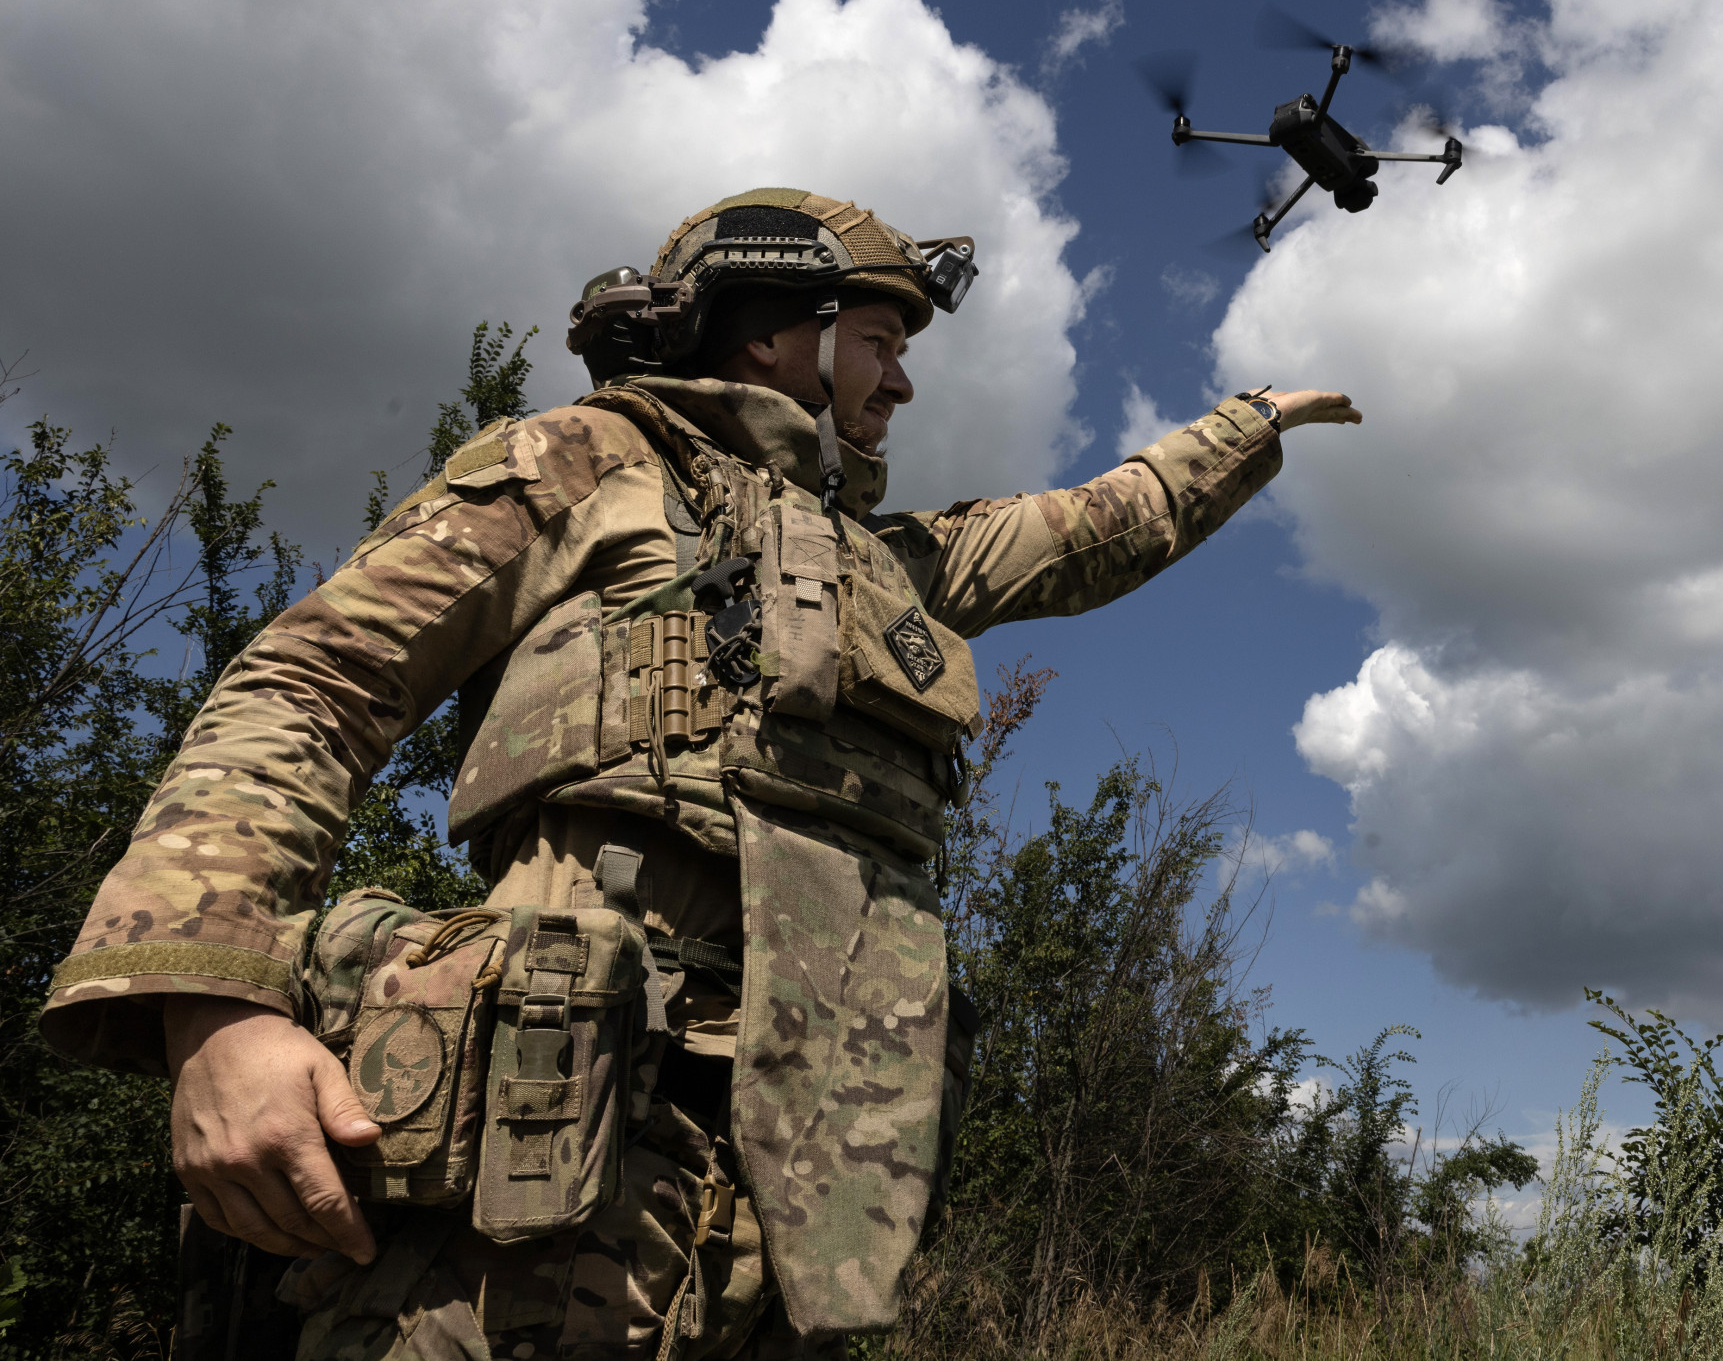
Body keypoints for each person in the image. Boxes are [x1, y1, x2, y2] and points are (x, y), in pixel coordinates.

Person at [41, 188, 1360, 1359]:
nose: (901, 385)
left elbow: (1091, 531)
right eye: (884, 343)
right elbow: (313, 688)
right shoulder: (588, 461)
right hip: (539, 1154)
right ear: (777, 325)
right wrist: (214, 1008)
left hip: (803, 1179)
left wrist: (1251, 423)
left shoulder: (893, 566)